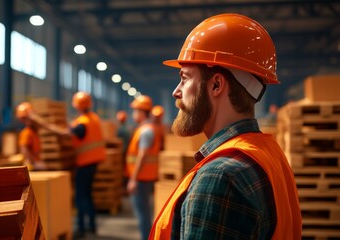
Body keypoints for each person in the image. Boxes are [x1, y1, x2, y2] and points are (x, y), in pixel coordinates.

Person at [150, 13, 302, 239]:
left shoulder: (220, 176)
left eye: (185, 78)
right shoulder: (268, 154)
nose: (176, 91)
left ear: (217, 85)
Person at [30, 92, 106, 238]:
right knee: (88, 195)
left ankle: (82, 228)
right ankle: (92, 226)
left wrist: (41, 122)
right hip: (94, 162)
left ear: (77, 105)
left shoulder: (82, 123)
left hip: (85, 163)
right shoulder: (93, 118)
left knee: (81, 197)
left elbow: (64, 133)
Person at [125, 95, 161, 240]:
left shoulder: (146, 131)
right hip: (146, 176)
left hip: (141, 178)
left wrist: (133, 179)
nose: (133, 114)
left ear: (141, 112)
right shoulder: (148, 128)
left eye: (135, 110)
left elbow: (142, 156)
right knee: (144, 212)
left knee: (143, 214)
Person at [15, 102, 46, 170]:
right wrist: (35, 163)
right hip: (31, 166)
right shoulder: (27, 132)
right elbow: (24, 149)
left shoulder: (34, 132)